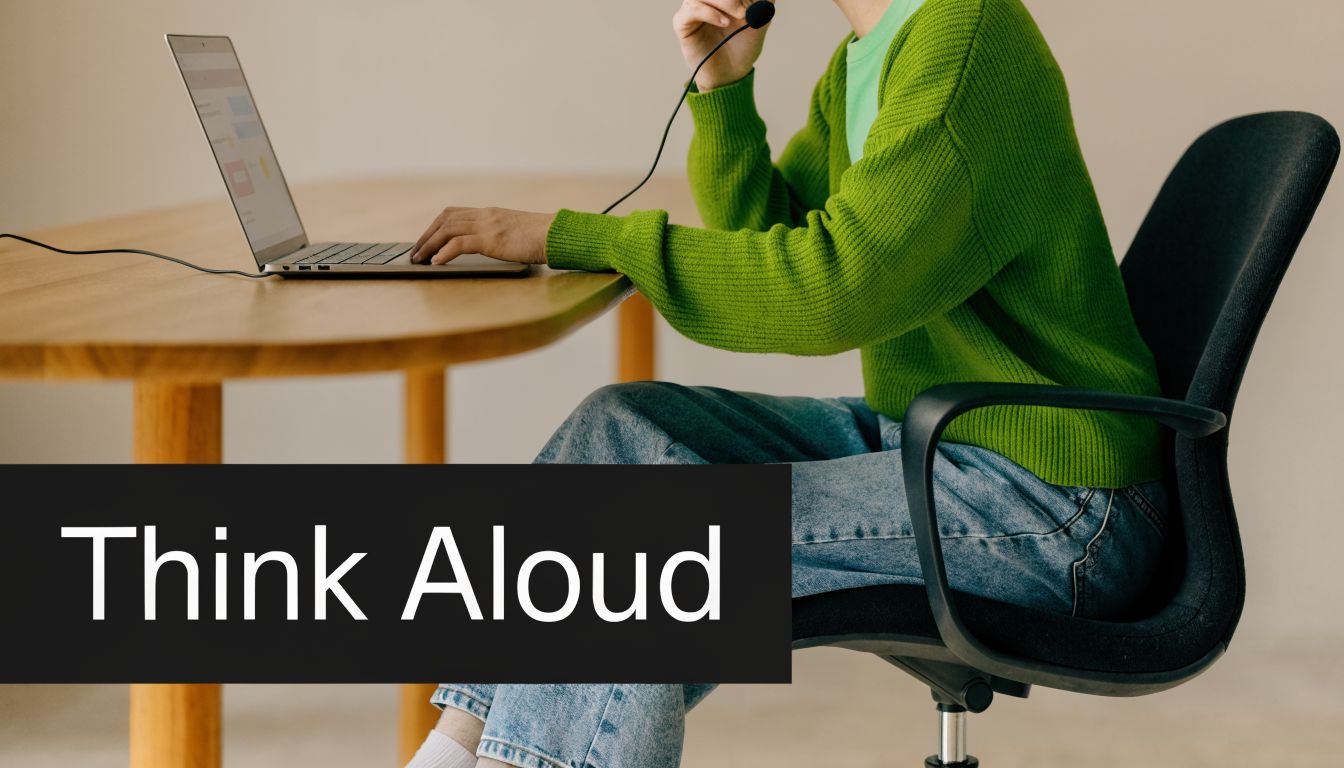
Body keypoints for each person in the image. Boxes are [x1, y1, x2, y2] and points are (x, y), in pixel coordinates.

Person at [404, 1, 1171, 767]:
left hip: (1056, 506)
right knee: (619, 425)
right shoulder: (866, 59)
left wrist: (569, 235)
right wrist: (724, 90)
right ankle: (457, 745)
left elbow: (828, 291)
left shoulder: (968, 40)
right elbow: (768, 241)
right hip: (936, 439)